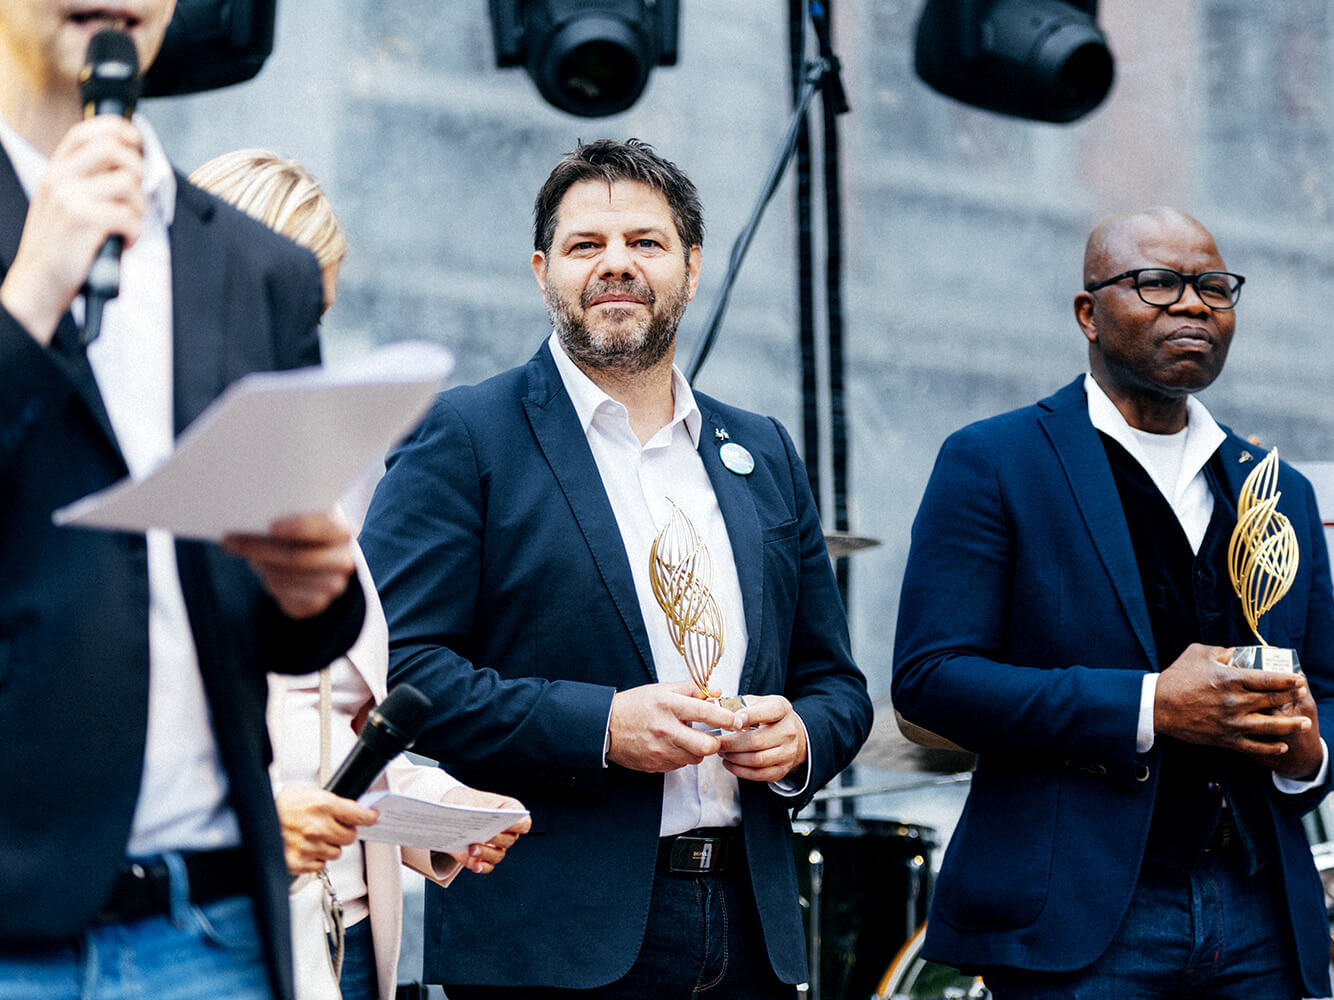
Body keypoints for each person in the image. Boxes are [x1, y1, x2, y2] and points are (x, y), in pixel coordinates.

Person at [358, 138, 873, 999]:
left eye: (646, 242)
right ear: (541, 270)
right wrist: (602, 727)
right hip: (553, 940)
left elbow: (836, 681)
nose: (617, 266)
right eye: (585, 246)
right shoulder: (465, 437)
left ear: (692, 266)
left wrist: (802, 742)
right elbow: (399, 674)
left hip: (754, 930)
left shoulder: (764, 450)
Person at [892, 207, 1334, 999]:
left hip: (1259, 909)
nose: (1192, 304)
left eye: (1214, 287)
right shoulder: (995, 461)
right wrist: (1149, 705)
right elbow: (932, 679)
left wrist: (1306, 753)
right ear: (1089, 312)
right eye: (1158, 283)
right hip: (1080, 918)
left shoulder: (1276, 487)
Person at [0, 6, 368, 1000]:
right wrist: (30, 294)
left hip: (206, 934)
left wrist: (315, 590)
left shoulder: (262, 272)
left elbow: (282, 627)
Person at [191, 148, 532, 1000]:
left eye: (318, 319)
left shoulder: (319, 495)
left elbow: (342, 736)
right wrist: (256, 826)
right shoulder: (139, 488)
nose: (303, 348)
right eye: (286, 314)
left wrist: (441, 815)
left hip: (341, 936)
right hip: (218, 935)